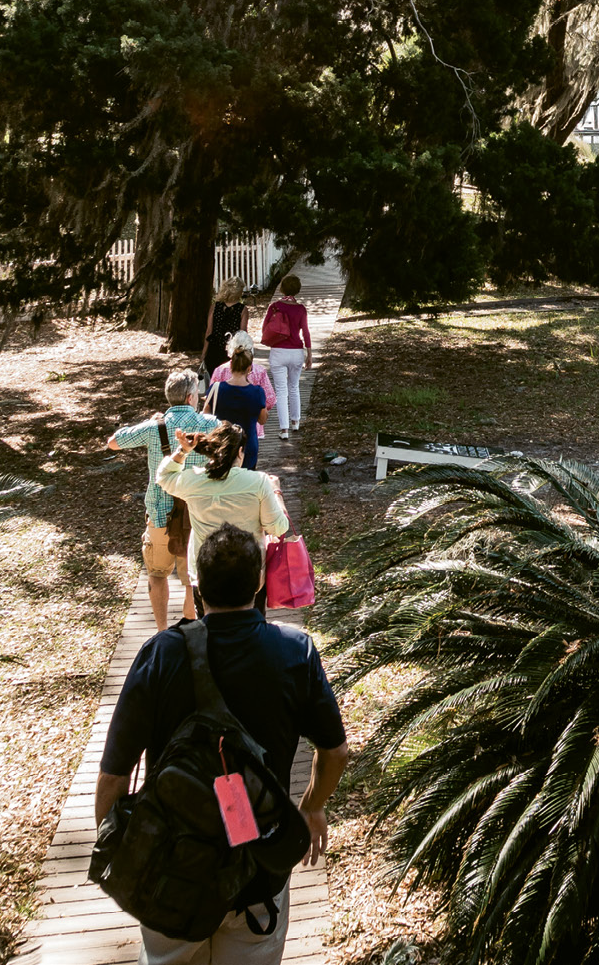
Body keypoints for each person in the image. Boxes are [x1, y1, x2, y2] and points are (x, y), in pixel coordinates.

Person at [94, 524, 349, 965]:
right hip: (259, 869)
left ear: (195, 581)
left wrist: (124, 849)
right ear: (258, 584)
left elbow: (114, 775)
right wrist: (310, 807)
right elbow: (335, 752)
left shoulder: (161, 653)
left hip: (171, 871)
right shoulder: (296, 652)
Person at [109, 373, 224, 629]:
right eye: (197, 393)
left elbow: (113, 443)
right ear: (190, 397)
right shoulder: (209, 423)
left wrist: (150, 423)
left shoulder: (155, 427)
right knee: (192, 580)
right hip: (197, 516)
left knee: (157, 574)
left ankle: (162, 631)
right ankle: (192, 629)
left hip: (160, 514)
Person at [156, 422, 288, 601]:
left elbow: (163, 476)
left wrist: (183, 451)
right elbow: (278, 527)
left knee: (209, 628)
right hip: (248, 575)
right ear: (241, 452)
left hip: (206, 575)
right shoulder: (259, 482)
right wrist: (276, 493)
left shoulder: (194, 481)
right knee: (250, 628)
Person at [260, 275, 311, 442]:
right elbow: (306, 332)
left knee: (281, 391)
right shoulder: (301, 309)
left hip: (278, 352)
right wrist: (309, 354)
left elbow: (265, 328)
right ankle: (295, 422)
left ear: (282, 288)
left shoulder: (275, 307)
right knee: (294, 387)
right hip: (296, 351)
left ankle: (284, 429)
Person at [205, 346, 267, 470]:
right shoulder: (257, 392)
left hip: (222, 443)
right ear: (249, 368)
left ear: (231, 365)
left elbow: (206, 416)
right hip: (247, 446)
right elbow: (262, 420)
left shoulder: (216, 388)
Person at [206, 334, 276, 442]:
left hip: (223, 428)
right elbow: (270, 399)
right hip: (251, 427)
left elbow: (210, 399)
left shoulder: (220, 370)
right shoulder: (259, 371)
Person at [202, 277, 250, 378]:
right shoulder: (242, 309)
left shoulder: (215, 307)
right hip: (231, 350)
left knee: (213, 381)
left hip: (213, 348)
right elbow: (243, 333)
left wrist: (204, 353)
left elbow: (209, 331)